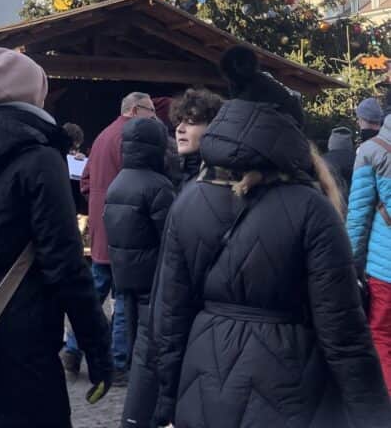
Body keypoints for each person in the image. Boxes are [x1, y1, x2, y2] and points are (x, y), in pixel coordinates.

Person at [152, 45, 390, 428]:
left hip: (202, 387)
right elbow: (343, 335)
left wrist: (164, 401)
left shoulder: (189, 200)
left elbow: (168, 319)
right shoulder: (312, 209)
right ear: (290, 134)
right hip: (291, 388)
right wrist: (373, 416)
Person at [0, 47, 112, 428]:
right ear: (36, 94)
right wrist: (96, 347)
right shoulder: (42, 158)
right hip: (23, 345)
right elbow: (64, 264)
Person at [63, 91, 157, 382]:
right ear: (134, 109)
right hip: (126, 229)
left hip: (102, 227)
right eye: (150, 110)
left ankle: (72, 349)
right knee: (123, 296)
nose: (154, 117)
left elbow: (86, 181)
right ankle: (117, 363)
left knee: (93, 295)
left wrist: (100, 204)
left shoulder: (103, 136)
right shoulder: (132, 137)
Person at [104, 118, 174, 428]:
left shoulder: (118, 182)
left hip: (125, 278)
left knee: (131, 336)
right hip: (152, 279)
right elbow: (171, 237)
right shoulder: (157, 186)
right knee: (151, 350)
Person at [347, 107, 391, 390]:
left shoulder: (371, 150)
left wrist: (350, 264)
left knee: (381, 336)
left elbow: (358, 216)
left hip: (384, 271)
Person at [171, 87, 223, 189]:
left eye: (191, 122)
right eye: (179, 121)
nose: (179, 129)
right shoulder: (171, 176)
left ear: (213, 126)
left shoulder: (221, 181)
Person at [323, 126, 355, 203]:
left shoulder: (323, 161)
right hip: (353, 203)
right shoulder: (358, 159)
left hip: (330, 204)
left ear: (330, 143)